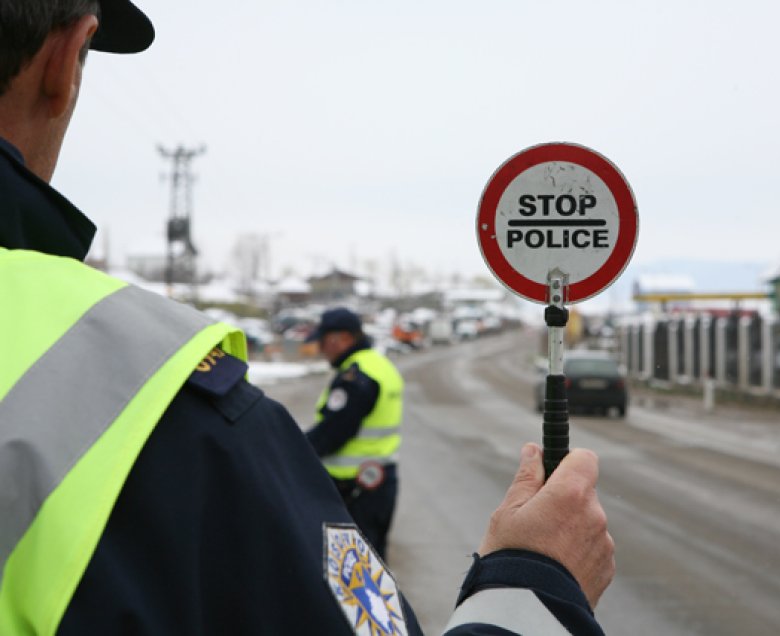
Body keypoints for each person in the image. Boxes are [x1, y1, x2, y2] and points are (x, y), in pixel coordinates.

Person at [0, 1, 615, 634]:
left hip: (368, 488)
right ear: (66, 61)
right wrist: (536, 585)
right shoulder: (155, 401)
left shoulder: (347, 376)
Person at [305, 307, 403, 560]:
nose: (321, 349)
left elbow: (333, 431)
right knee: (371, 565)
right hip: (376, 482)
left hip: (353, 490)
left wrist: (295, 451)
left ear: (344, 338)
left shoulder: (356, 376)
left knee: (352, 569)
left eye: (324, 341)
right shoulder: (379, 364)